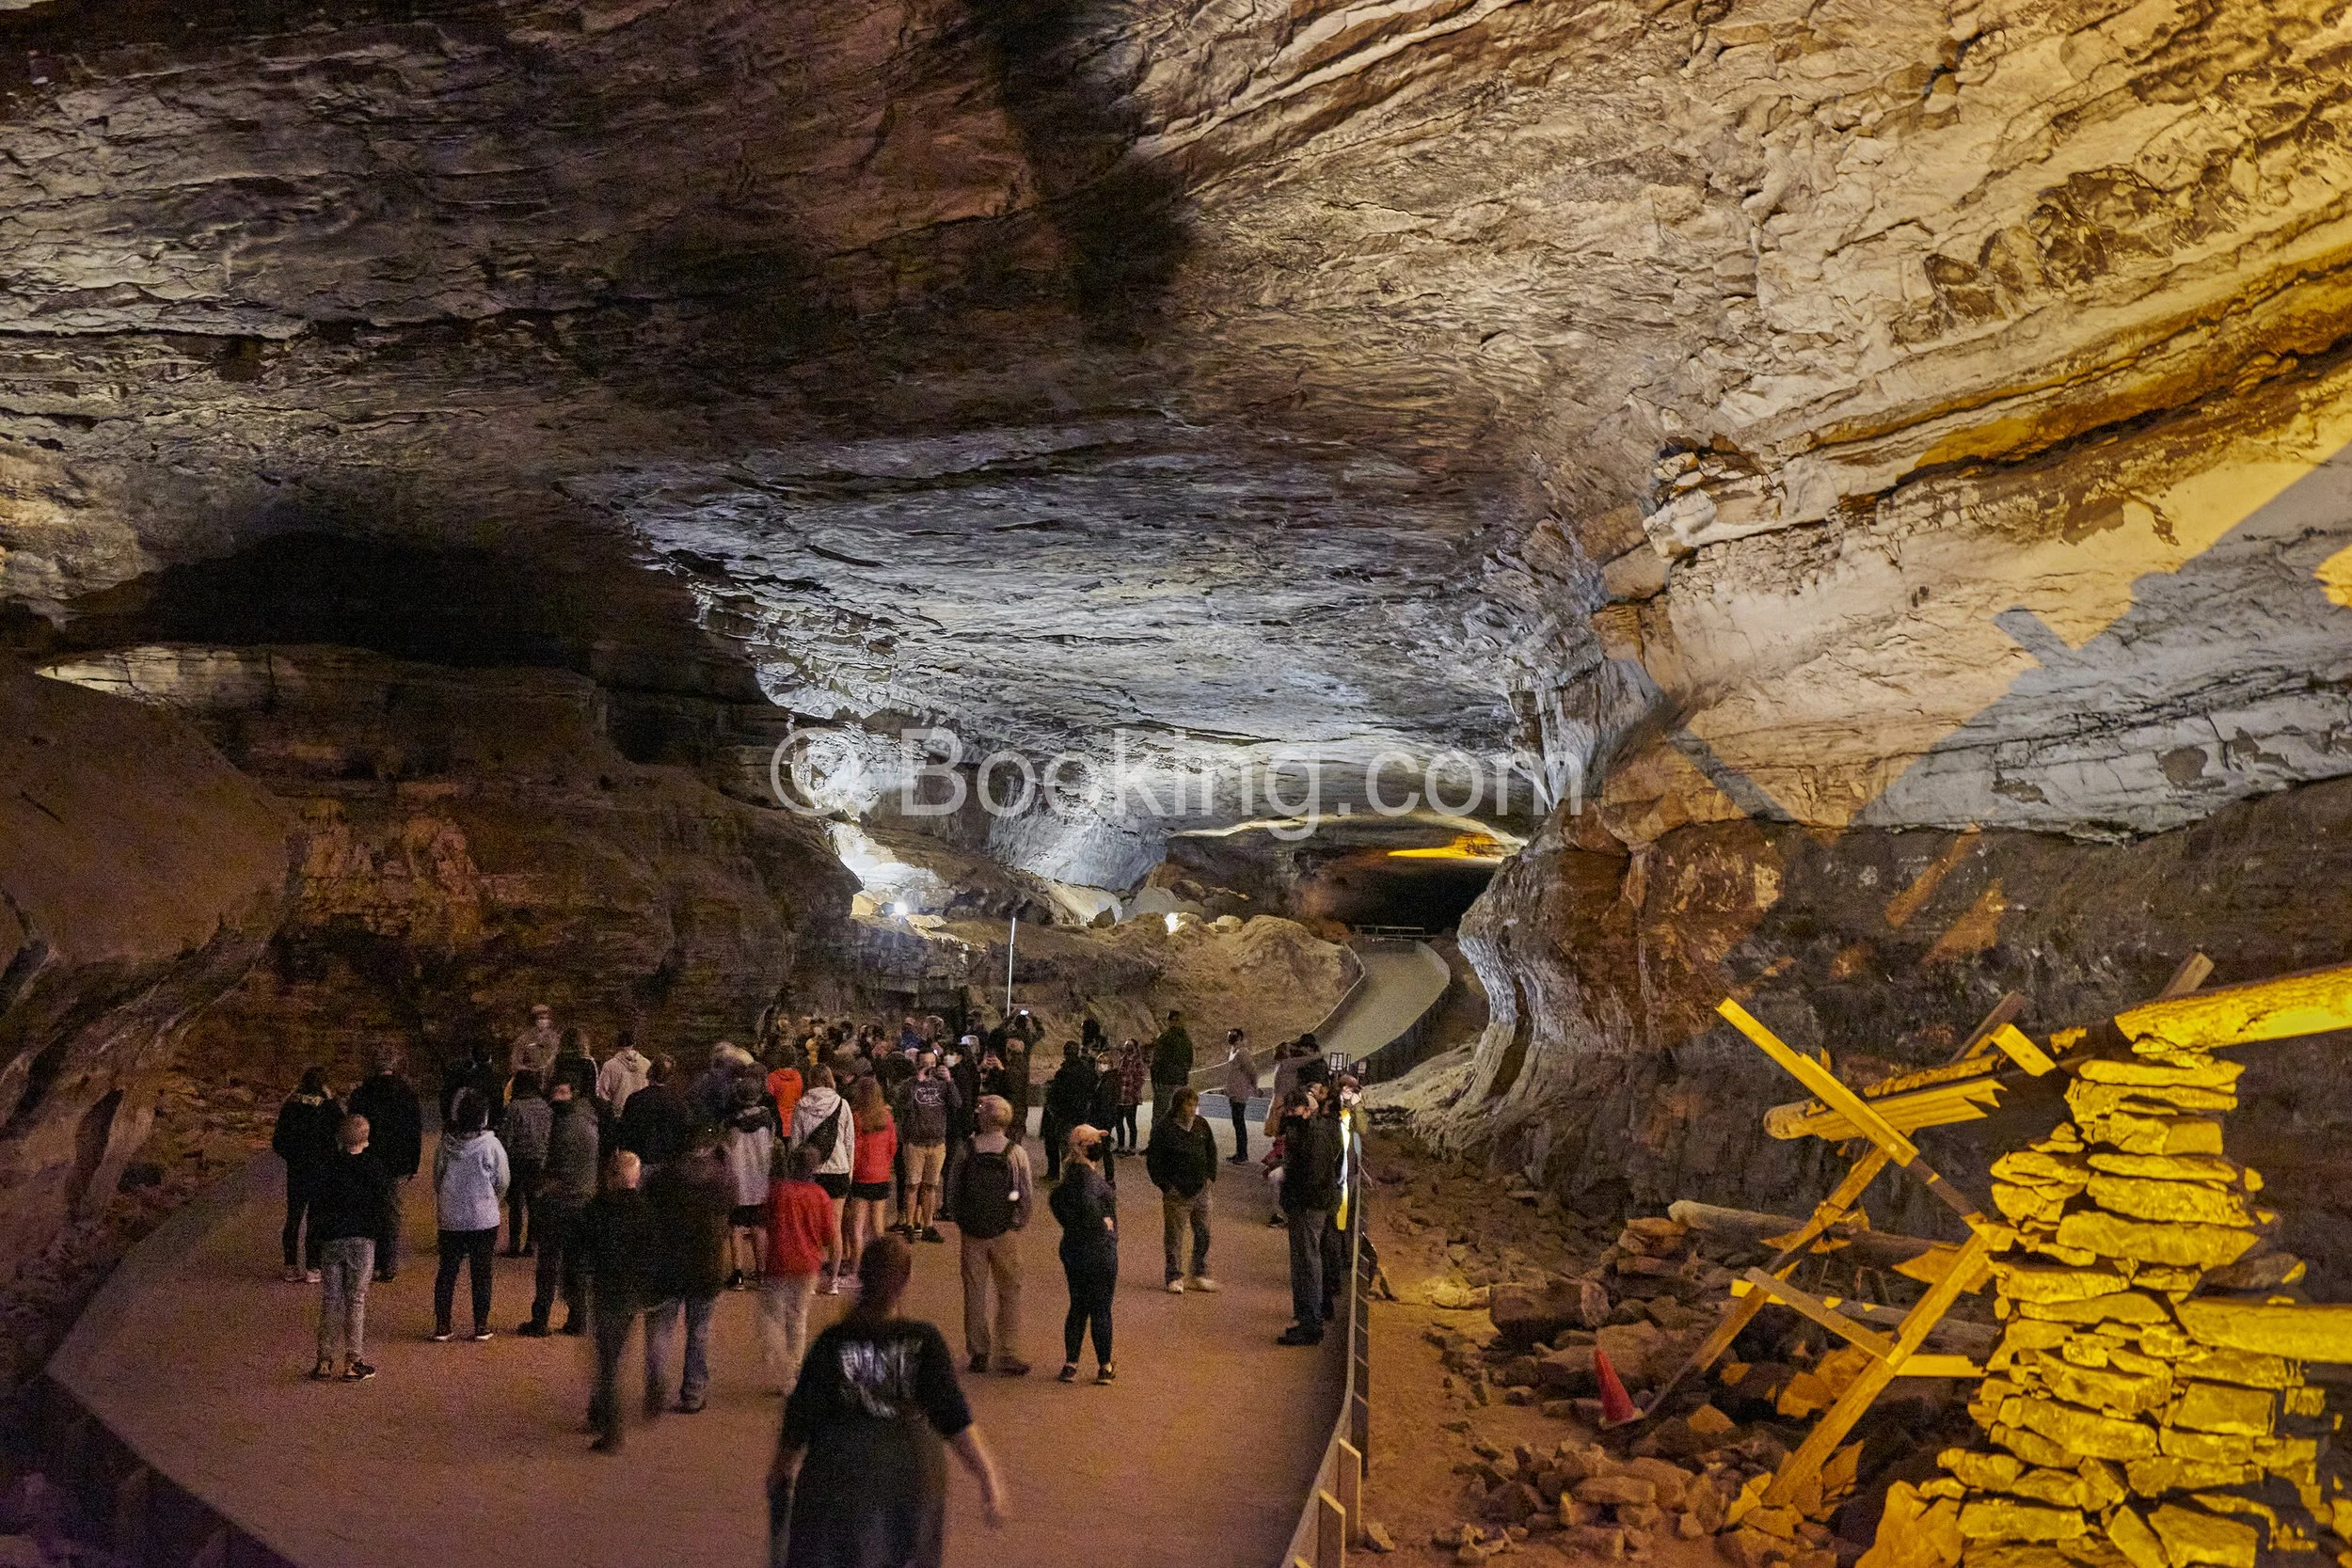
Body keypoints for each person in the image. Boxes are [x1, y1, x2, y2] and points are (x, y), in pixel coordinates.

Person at [769, 1236, 1008, 1568]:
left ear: (861, 1277)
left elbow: (799, 1420)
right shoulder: (923, 1340)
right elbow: (954, 1418)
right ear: (905, 1283)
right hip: (909, 1473)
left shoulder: (833, 1341)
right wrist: (987, 1478)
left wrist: (780, 1473)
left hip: (840, 1471)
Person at [943, 1094, 1032, 1377]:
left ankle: (979, 1350)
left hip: (973, 1229)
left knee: (974, 1290)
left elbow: (953, 1187)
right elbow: (1024, 1193)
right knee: (1010, 1290)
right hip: (1004, 1228)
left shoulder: (966, 1149)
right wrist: (1019, 1221)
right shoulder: (1015, 1153)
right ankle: (1007, 1351)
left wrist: (960, 1218)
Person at [645, 1133, 735, 1414]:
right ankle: (693, 1391)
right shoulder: (720, 1178)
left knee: (661, 1327)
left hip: (668, 1263)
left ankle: (657, 1381)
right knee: (699, 1331)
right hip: (706, 1265)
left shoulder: (664, 1177)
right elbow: (733, 1203)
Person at [580, 1150, 662, 1452]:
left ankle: (610, 1428)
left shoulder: (598, 1208)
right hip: (631, 1294)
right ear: (636, 1177)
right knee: (614, 1357)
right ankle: (601, 1412)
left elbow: (581, 1249)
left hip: (607, 1290)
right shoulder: (646, 1211)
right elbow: (654, 1256)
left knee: (607, 1363)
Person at [309, 1114, 394, 1382]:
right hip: (362, 1239)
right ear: (366, 1140)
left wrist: (313, 1246)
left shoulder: (327, 1167)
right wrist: (385, 1245)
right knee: (356, 1299)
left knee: (330, 1300)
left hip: (332, 1239)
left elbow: (316, 1209)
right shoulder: (374, 1168)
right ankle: (353, 1361)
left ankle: (324, 1360)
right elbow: (384, 1207)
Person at [519, 1079, 598, 1337]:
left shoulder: (564, 1125)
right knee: (576, 1264)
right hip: (583, 1203)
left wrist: (540, 1190)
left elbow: (553, 1168)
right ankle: (578, 1318)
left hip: (560, 1204)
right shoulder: (589, 1121)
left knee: (548, 1265)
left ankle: (540, 1319)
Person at [431, 1089, 510, 1342]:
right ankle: (481, 1325)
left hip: (451, 1216)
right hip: (483, 1217)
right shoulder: (491, 1145)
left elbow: (437, 1177)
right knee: (482, 1272)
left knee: (447, 1271)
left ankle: (443, 1325)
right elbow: (503, 1179)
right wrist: (492, 1200)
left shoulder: (445, 1143)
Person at [760, 1143, 837, 1395]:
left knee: (772, 1316)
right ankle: (792, 1372)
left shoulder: (778, 1192)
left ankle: (779, 1364)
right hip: (808, 1264)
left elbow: (765, 1224)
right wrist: (833, 1273)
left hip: (779, 1261)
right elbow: (830, 1236)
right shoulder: (820, 1196)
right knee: (798, 1317)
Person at [1049, 1124, 1118, 1385]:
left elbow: (1056, 1201)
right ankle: (1105, 1365)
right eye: (1094, 1141)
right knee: (1101, 1308)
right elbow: (1091, 1208)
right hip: (1099, 1252)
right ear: (1084, 1147)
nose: (1099, 1146)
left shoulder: (1069, 1178)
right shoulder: (1090, 1181)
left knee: (1078, 1306)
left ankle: (1071, 1363)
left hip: (1074, 1249)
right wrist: (1104, 1226)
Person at [1276, 1084, 1344, 1347]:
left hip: (1307, 1205)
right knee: (1306, 1262)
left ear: (1306, 1110)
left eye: (1294, 1110)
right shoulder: (1319, 1128)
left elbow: (1312, 1174)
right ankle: (1307, 1317)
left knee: (1307, 1263)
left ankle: (1310, 1322)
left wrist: (1296, 1200)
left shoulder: (1311, 1135)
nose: (1290, 1115)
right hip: (1311, 1203)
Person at [346, 1053, 421, 1281]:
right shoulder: (407, 1094)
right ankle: (388, 1263)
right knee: (391, 1213)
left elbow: (352, 1125)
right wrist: (413, 1163)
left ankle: (367, 1263)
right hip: (397, 1162)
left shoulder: (362, 1094)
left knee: (367, 1210)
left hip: (367, 1158)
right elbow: (414, 1131)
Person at [1145, 1086, 1220, 1295]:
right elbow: (1154, 1161)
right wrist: (1166, 1186)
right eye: (1189, 1104)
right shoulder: (1164, 1129)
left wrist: (1210, 1176)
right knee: (1175, 1236)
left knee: (1203, 1233)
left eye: (1195, 1104)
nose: (1193, 1108)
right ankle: (1174, 1276)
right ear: (1178, 1105)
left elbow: (1211, 1150)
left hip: (1202, 1190)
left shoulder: (1201, 1125)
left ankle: (1200, 1273)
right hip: (1177, 1194)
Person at [790, 1064, 855, 1294]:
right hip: (838, 1171)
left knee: (811, 1229)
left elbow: (796, 1144)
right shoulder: (842, 1105)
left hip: (811, 1173)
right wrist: (850, 1172)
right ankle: (834, 1281)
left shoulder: (801, 1106)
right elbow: (849, 1142)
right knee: (835, 1227)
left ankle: (811, 1279)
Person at [272, 1069, 342, 1283]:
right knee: (317, 1218)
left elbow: (278, 1141)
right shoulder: (328, 1109)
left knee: (293, 1216)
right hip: (322, 1170)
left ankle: (290, 1264)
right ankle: (313, 1265)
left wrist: (293, 1156)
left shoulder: (291, 1107)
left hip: (298, 1170)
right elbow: (342, 1125)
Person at [893, 1051, 961, 1243]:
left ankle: (928, 1224)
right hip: (915, 1142)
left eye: (932, 1063)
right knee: (912, 1185)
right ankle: (909, 1224)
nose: (929, 1068)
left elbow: (957, 1104)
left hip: (937, 1142)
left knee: (931, 1186)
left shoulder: (942, 1085)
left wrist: (949, 1081)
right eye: (924, 1064)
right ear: (917, 1065)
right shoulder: (909, 1084)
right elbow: (901, 1108)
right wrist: (917, 1083)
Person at [723, 1069, 779, 1288]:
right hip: (760, 1180)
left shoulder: (732, 1123)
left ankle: (738, 1273)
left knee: (736, 1227)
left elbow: (727, 1149)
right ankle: (762, 1271)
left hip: (738, 1182)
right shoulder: (768, 1120)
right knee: (759, 1226)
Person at [498, 1069, 552, 1256]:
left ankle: (514, 1245)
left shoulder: (515, 1107)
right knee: (534, 1203)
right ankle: (531, 1244)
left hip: (518, 1159)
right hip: (539, 1159)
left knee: (516, 1204)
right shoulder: (545, 1106)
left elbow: (507, 1138)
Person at [846, 1077, 898, 1267]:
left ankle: (856, 1266)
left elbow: (855, 1148)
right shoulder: (887, 1117)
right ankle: (881, 1265)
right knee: (877, 1227)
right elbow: (892, 1146)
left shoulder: (856, 1117)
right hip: (881, 1174)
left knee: (857, 1227)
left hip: (861, 1176)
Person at [618, 1053, 693, 1170]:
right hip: (667, 1165)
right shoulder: (679, 1104)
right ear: (670, 1077)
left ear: (650, 1073)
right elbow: (684, 1137)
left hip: (640, 1162)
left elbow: (625, 1132)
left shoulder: (635, 1099)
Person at [1041, 1047, 1095, 1183]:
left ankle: (1065, 1179)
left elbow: (1056, 1093)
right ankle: (1077, 1177)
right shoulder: (1087, 1070)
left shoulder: (1064, 1072)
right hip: (1080, 1114)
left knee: (1064, 1147)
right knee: (1077, 1148)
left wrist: (1053, 1108)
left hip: (1065, 1115)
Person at [1149, 1009, 1193, 1128]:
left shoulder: (1164, 1038)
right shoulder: (1186, 1041)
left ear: (1168, 1021)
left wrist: (1154, 1081)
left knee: (1160, 1116)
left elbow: (1156, 1062)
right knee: (1178, 1115)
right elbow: (1189, 1062)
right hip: (1181, 1082)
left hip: (1165, 1082)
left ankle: (1157, 1144)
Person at [596, 1029, 653, 1121]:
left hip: (619, 1115)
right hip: (642, 1114)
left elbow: (602, 1093)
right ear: (633, 1044)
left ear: (617, 1044)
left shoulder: (610, 1065)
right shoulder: (646, 1064)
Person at [1222, 1030, 1258, 1164]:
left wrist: (1254, 1086)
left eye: (1233, 1035)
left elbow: (1252, 1070)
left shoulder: (1242, 1053)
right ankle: (1239, 1152)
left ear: (1240, 1038)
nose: (1230, 1037)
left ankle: (1243, 1155)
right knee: (1237, 1123)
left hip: (1240, 1092)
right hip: (1234, 1092)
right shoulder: (1234, 1051)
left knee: (1239, 1123)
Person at [1112, 1037, 1147, 1154]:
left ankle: (1132, 1147)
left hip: (1130, 1097)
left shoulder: (1137, 1061)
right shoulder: (1122, 1060)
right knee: (1118, 1122)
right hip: (1120, 1096)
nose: (1127, 1048)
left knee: (1131, 1122)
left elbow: (1141, 1078)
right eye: (1126, 1045)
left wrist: (1134, 1090)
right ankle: (1121, 1146)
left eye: (1130, 1046)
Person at [549, 1028, 600, 1104]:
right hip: (582, 1105)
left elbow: (548, 1083)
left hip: (560, 1103)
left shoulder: (556, 1060)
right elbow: (594, 1088)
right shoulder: (589, 1061)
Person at [510, 1002, 561, 1077]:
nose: (544, 1021)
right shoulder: (523, 1040)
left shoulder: (557, 1039)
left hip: (551, 1079)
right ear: (535, 1020)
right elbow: (515, 1065)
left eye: (547, 1018)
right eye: (541, 1018)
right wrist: (532, 1072)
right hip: (530, 1080)